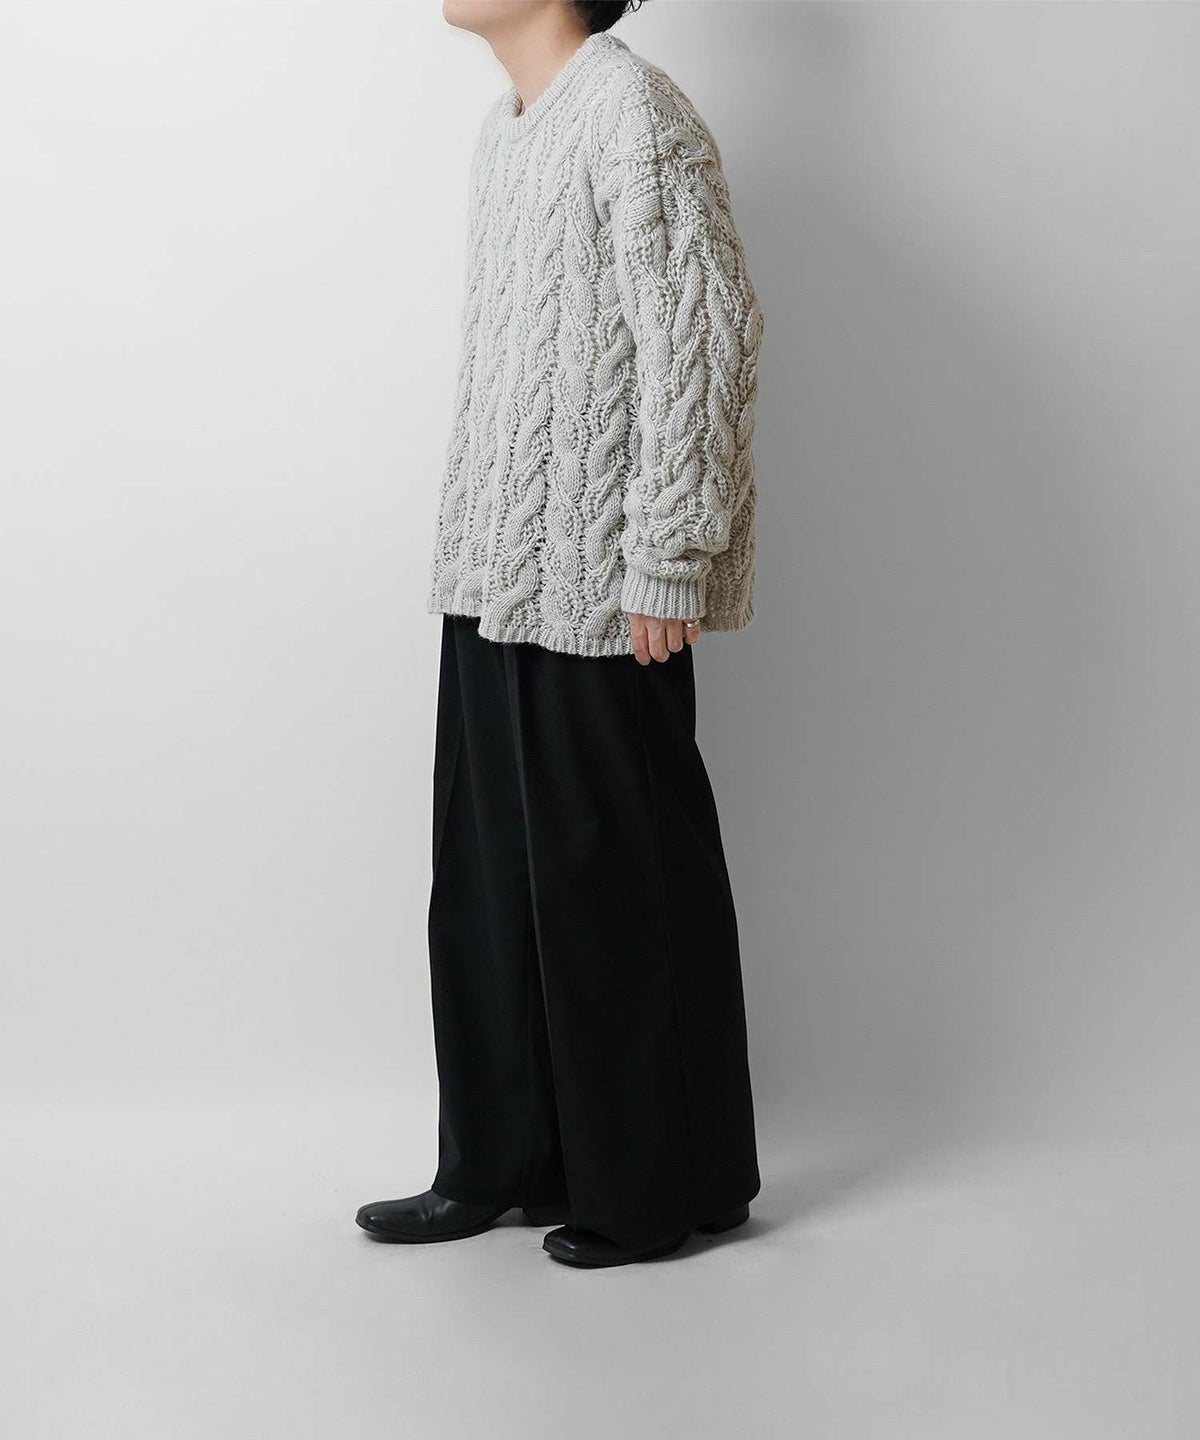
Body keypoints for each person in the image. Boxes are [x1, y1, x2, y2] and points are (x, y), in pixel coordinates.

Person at [356, 0, 765, 1268]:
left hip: (601, 577)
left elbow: (705, 336)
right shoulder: (510, 126)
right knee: (488, 887)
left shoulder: (631, 109)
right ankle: (500, 1162)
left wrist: (669, 552)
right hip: (494, 572)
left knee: (616, 884)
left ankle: (659, 1188)